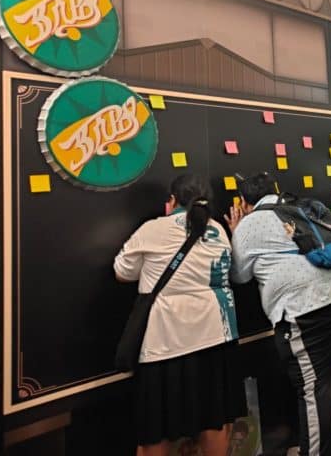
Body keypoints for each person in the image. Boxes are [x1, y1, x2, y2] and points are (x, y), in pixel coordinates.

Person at [228, 173, 331, 456]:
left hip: (303, 312)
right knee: (322, 386)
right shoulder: (299, 206)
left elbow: (239, 275)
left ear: (243, 202)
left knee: (314, 391)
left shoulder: (250, 224)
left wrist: (236, 231)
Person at [114, 174, 246, 456]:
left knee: (155, 428)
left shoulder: (153, 229)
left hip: (166, 342)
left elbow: (122, 272)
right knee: (215, 420)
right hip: (217, 336)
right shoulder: (218, 229)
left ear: (172, 200)